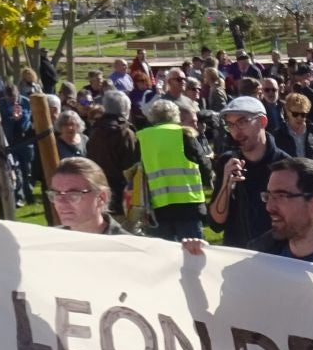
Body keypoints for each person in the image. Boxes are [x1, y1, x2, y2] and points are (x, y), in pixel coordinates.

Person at [207, 96, 295, 249]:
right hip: (237, 253)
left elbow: (296, 222)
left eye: (242, 122)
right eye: (230, 125)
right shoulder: (228, 162)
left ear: (262, 122)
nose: (236, 132)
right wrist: (226, 186)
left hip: (276, 256)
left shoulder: (285, 165)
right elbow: (216, 224)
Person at [136, 98, 210, 245]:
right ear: (175, 116)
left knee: (164, 257)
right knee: (193, 255)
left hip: (158, 207)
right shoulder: (184, 134)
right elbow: (203, 164)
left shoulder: (143, 138)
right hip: (189, 204)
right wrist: (208, 180)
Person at [85, 88, 140, 217]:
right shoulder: (126, 133)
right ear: (126, 109)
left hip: (98, 188)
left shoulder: (95, 131)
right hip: (123, 193)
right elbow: (132, 166)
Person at [47, 157, 131, 235]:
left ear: (101, 197)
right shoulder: (48, 242)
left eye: (73, 195)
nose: (61, 202)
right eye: (56, 194)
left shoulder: (128, 248)